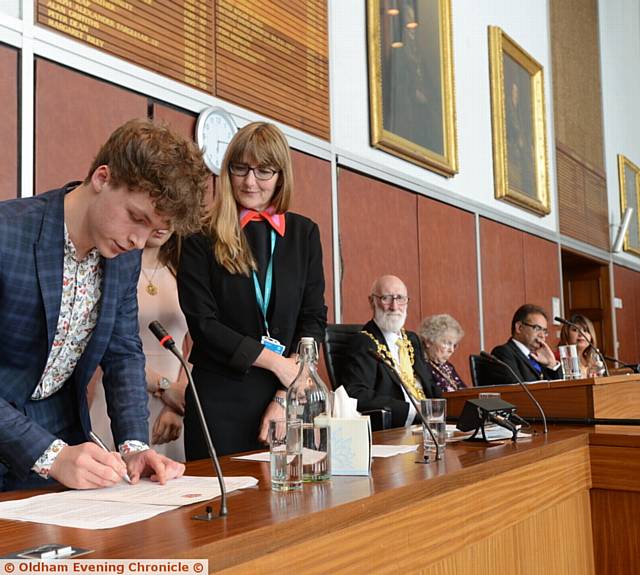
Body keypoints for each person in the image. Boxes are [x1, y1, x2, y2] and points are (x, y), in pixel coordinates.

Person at [0, 118, 208, 491]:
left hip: (60, 439)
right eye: (136, 218)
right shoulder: (6, 232)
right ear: (101, 178)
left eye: (154, 230)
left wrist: (134, 446)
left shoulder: (122, 255)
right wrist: (50, 455)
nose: (138, 241)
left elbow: (123, 350)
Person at [177, 121, 327, 458]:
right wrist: (276, 364)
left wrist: (284, 393)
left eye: (263, 171)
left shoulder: (304, 235)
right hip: (219, 398)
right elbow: (204, 324)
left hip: (288, 394)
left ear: (281, 175)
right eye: (240, 168)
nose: (249, 181)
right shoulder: (199, 236)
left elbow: (313, 318)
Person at [89, 230, 190, 460]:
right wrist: (164, 388)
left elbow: (197, 344)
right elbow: (111, 346)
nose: (162, 225)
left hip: (179, 403)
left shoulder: (185, 269)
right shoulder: (113, 268)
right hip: (122, 393)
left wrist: (179, 401)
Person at [340, 275, 441, 429]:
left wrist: (447, 406)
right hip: (396, 429)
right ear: (372, 301)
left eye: (400, 298)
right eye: (386, 298)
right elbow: (357, 394)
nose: (394, 306)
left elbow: (429, 385)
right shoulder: (363, 342)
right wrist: (413, 411)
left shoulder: (412, 340)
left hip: (430, 426)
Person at [489, 304, 563, 385]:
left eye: (544, 331)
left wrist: (551, 364)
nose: (542, 335)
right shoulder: (503, 353)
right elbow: (518, 389)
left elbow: (560, 389)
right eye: (537, 328)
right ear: (519, 327)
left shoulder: (539, 356)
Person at [419, 314, 468, 392]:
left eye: (454, 345)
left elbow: (465, 392)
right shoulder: (421, 368)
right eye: (446, 343)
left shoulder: (447, 366)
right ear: (428, 341)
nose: (451, 350)